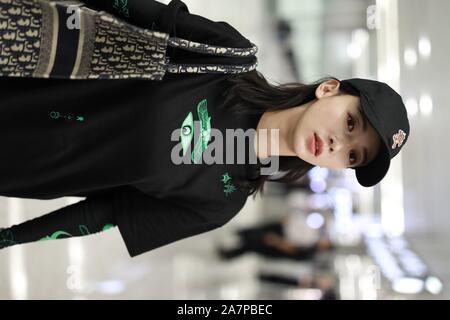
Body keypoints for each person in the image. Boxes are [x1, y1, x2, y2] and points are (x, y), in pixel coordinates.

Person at [0, 0, 410, 258]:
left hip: (23, 167)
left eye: (353, 156)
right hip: (22, 74)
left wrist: (10, 238)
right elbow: (129, 9)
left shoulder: (220, 203)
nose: (340, 144)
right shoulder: (229, 58)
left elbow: (104, 213)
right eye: (351, 122)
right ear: (328, 89)